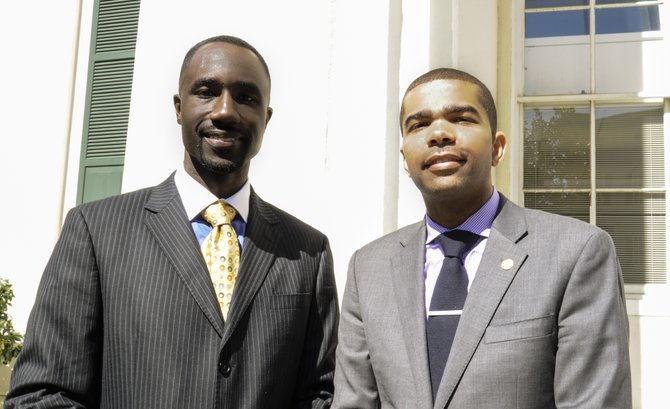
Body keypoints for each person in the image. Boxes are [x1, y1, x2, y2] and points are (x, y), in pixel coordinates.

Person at [6, 35, 339, 408]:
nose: (226, 111)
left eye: (246, 97)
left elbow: (321, 395)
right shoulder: (96, 231)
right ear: (179, 108)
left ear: (267, 117)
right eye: (207, 91)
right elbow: (41, 395)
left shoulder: (308, 252)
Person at [332, 68, 631, 408]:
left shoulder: (577, 253)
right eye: (419, 124)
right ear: (405, 158)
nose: (439, 133)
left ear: (497, 148)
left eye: (461, 118)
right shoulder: (368, 268)